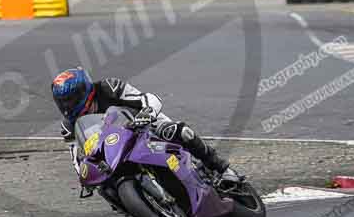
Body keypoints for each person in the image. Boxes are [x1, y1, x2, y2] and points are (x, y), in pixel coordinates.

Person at [50, 67, 229, 175]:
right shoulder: (69, 127)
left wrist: (146, 114)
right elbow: (77, 160)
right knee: (102, 185)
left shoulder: (109, 88)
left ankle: (219, 166)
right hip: (113, 150)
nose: (68, 105)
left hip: (143, 125)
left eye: (71, 99)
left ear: (83, 91)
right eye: (63, 102)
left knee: (179, 132)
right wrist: (85, 172)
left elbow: (150, 98)